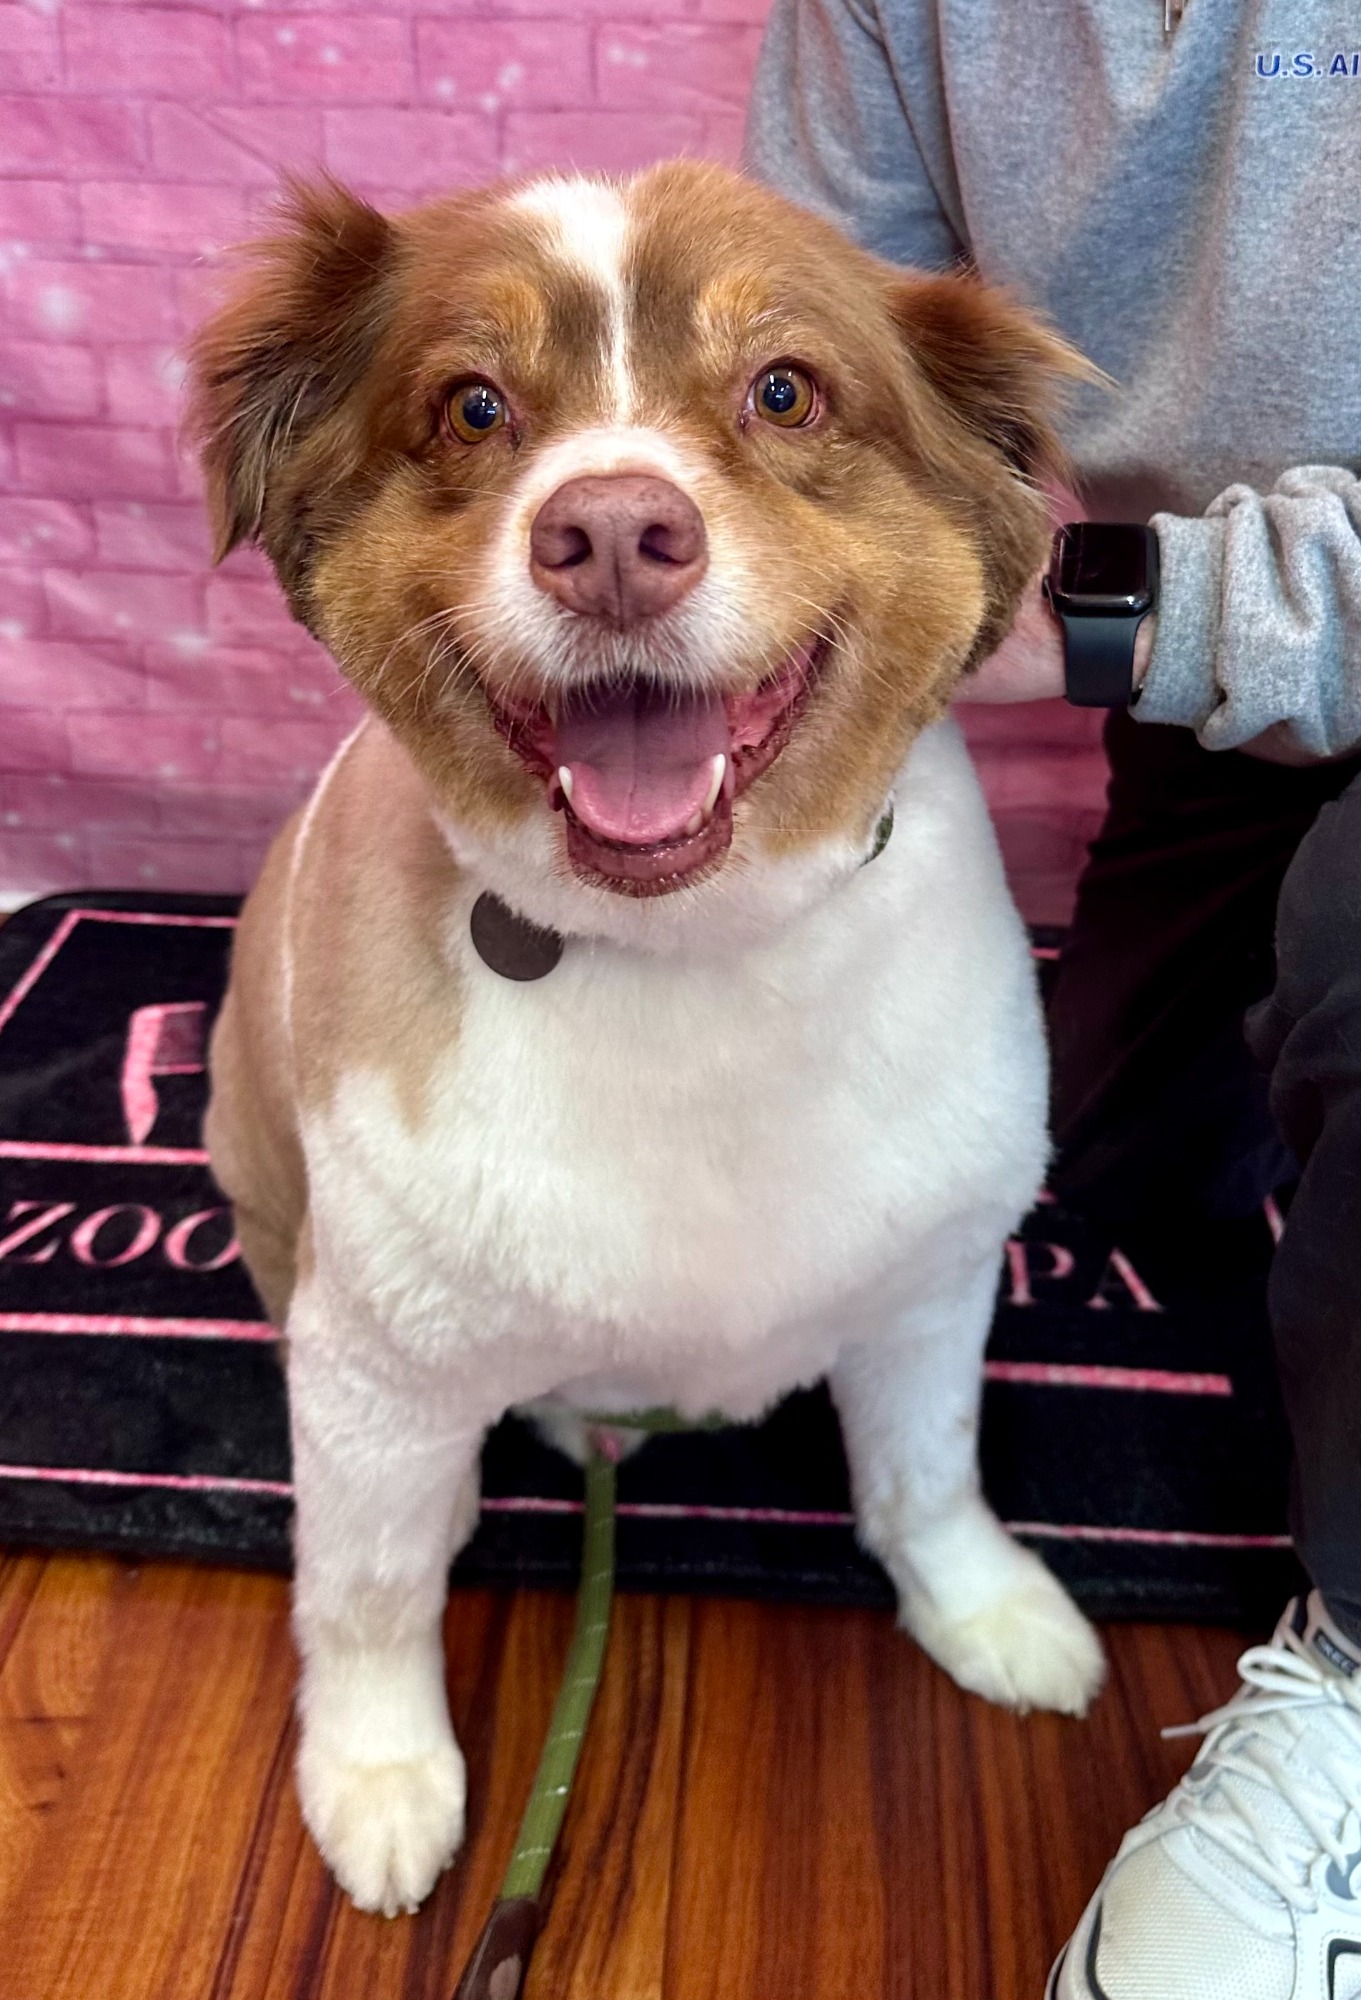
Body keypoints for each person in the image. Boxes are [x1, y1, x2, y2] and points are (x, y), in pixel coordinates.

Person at [744, 4, 1361, 1995]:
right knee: (1099, 1150)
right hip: (1213, 687)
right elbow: (809, 336)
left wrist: (1103, 607)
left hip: (1173, 614)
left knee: (1352, 956)